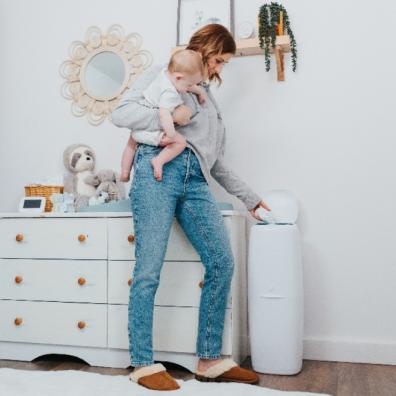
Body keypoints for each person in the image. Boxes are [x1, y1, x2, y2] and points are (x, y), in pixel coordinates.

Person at [112, 23, 270, 391]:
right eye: (219, 59)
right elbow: (122, 113)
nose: (220, 68)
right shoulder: (166, 73)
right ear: (204, 50)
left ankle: (210, 358)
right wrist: (171, 119)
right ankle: (141, 361)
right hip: (157, 171)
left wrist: (251, 198)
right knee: (148, 269)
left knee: (221, 260)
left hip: (195, 178)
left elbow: (213, 160)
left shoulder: (207, 99)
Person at [120, 49, 206, 182]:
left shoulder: (166, 73)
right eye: (189, 85)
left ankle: (124, 172)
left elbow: (187, 82)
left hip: (140, 122)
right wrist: (170, 133)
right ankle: (159, 161)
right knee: (180, 142)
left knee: (131, 144)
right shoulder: (170, 93)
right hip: (147, 130)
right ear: (178, 77)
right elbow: (163, 113)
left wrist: (199, 91)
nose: (189, 88)